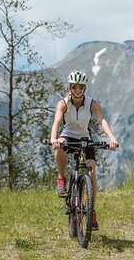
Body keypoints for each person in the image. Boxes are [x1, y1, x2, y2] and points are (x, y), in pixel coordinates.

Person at [50, 70, 119, 230]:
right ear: (70, 87)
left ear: (84, 88)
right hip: (67, 135)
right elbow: (57, 122)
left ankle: (91, 212)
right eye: (74, 87)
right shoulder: (63, 103)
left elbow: (102, 121)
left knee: (92, 172)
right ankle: (61, 178)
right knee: (60, 146)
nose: (77, 90)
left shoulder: (92, 103)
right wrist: (54, 139)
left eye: (80, 86)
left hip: (84, 138)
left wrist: (112, 139)